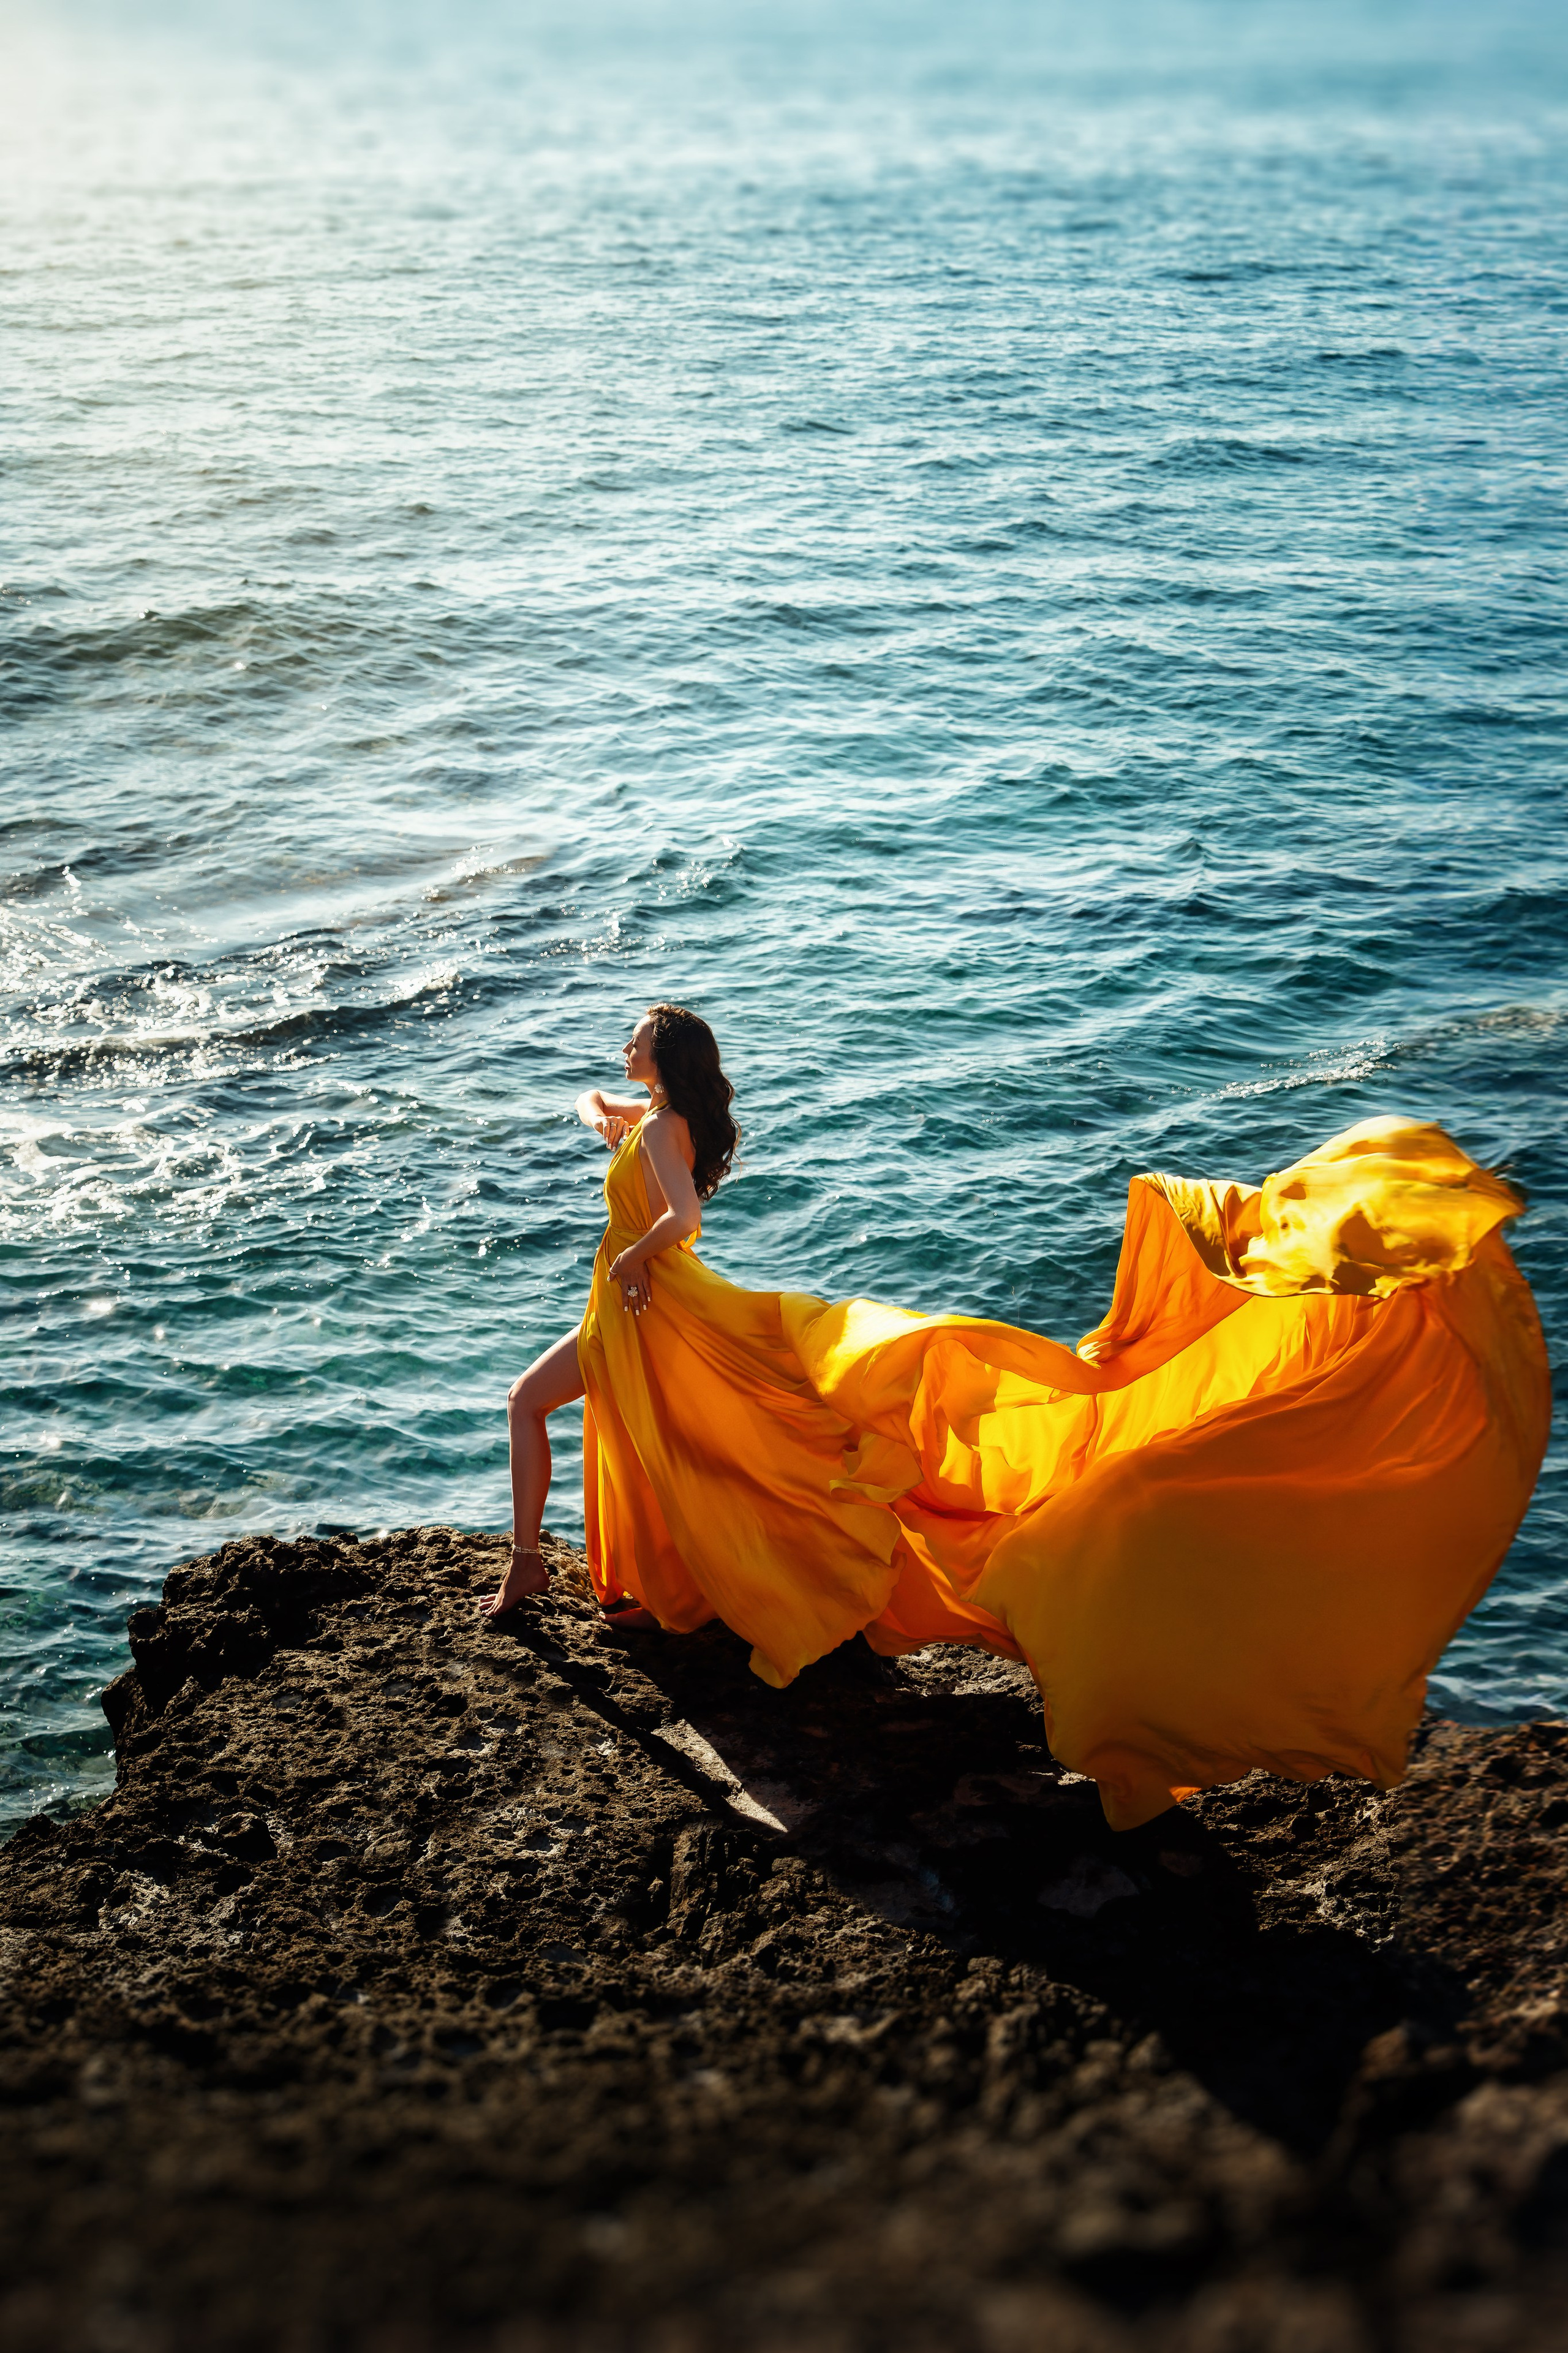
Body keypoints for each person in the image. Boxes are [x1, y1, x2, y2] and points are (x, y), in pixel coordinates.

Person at [487, 1003, 1551, 1831]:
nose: (620, 1043)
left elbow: (680, 1215)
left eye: (636, 1033)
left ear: (662, 1052)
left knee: (689, 1429)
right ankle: (544, 1559)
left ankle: (550, 1562)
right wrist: (609, 1112)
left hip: (661, 1309)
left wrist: (633, 1245)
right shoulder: (652, 1116)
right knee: (621, 1428)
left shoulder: (668, 1127)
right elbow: (604, 1112)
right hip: (633, 1316)